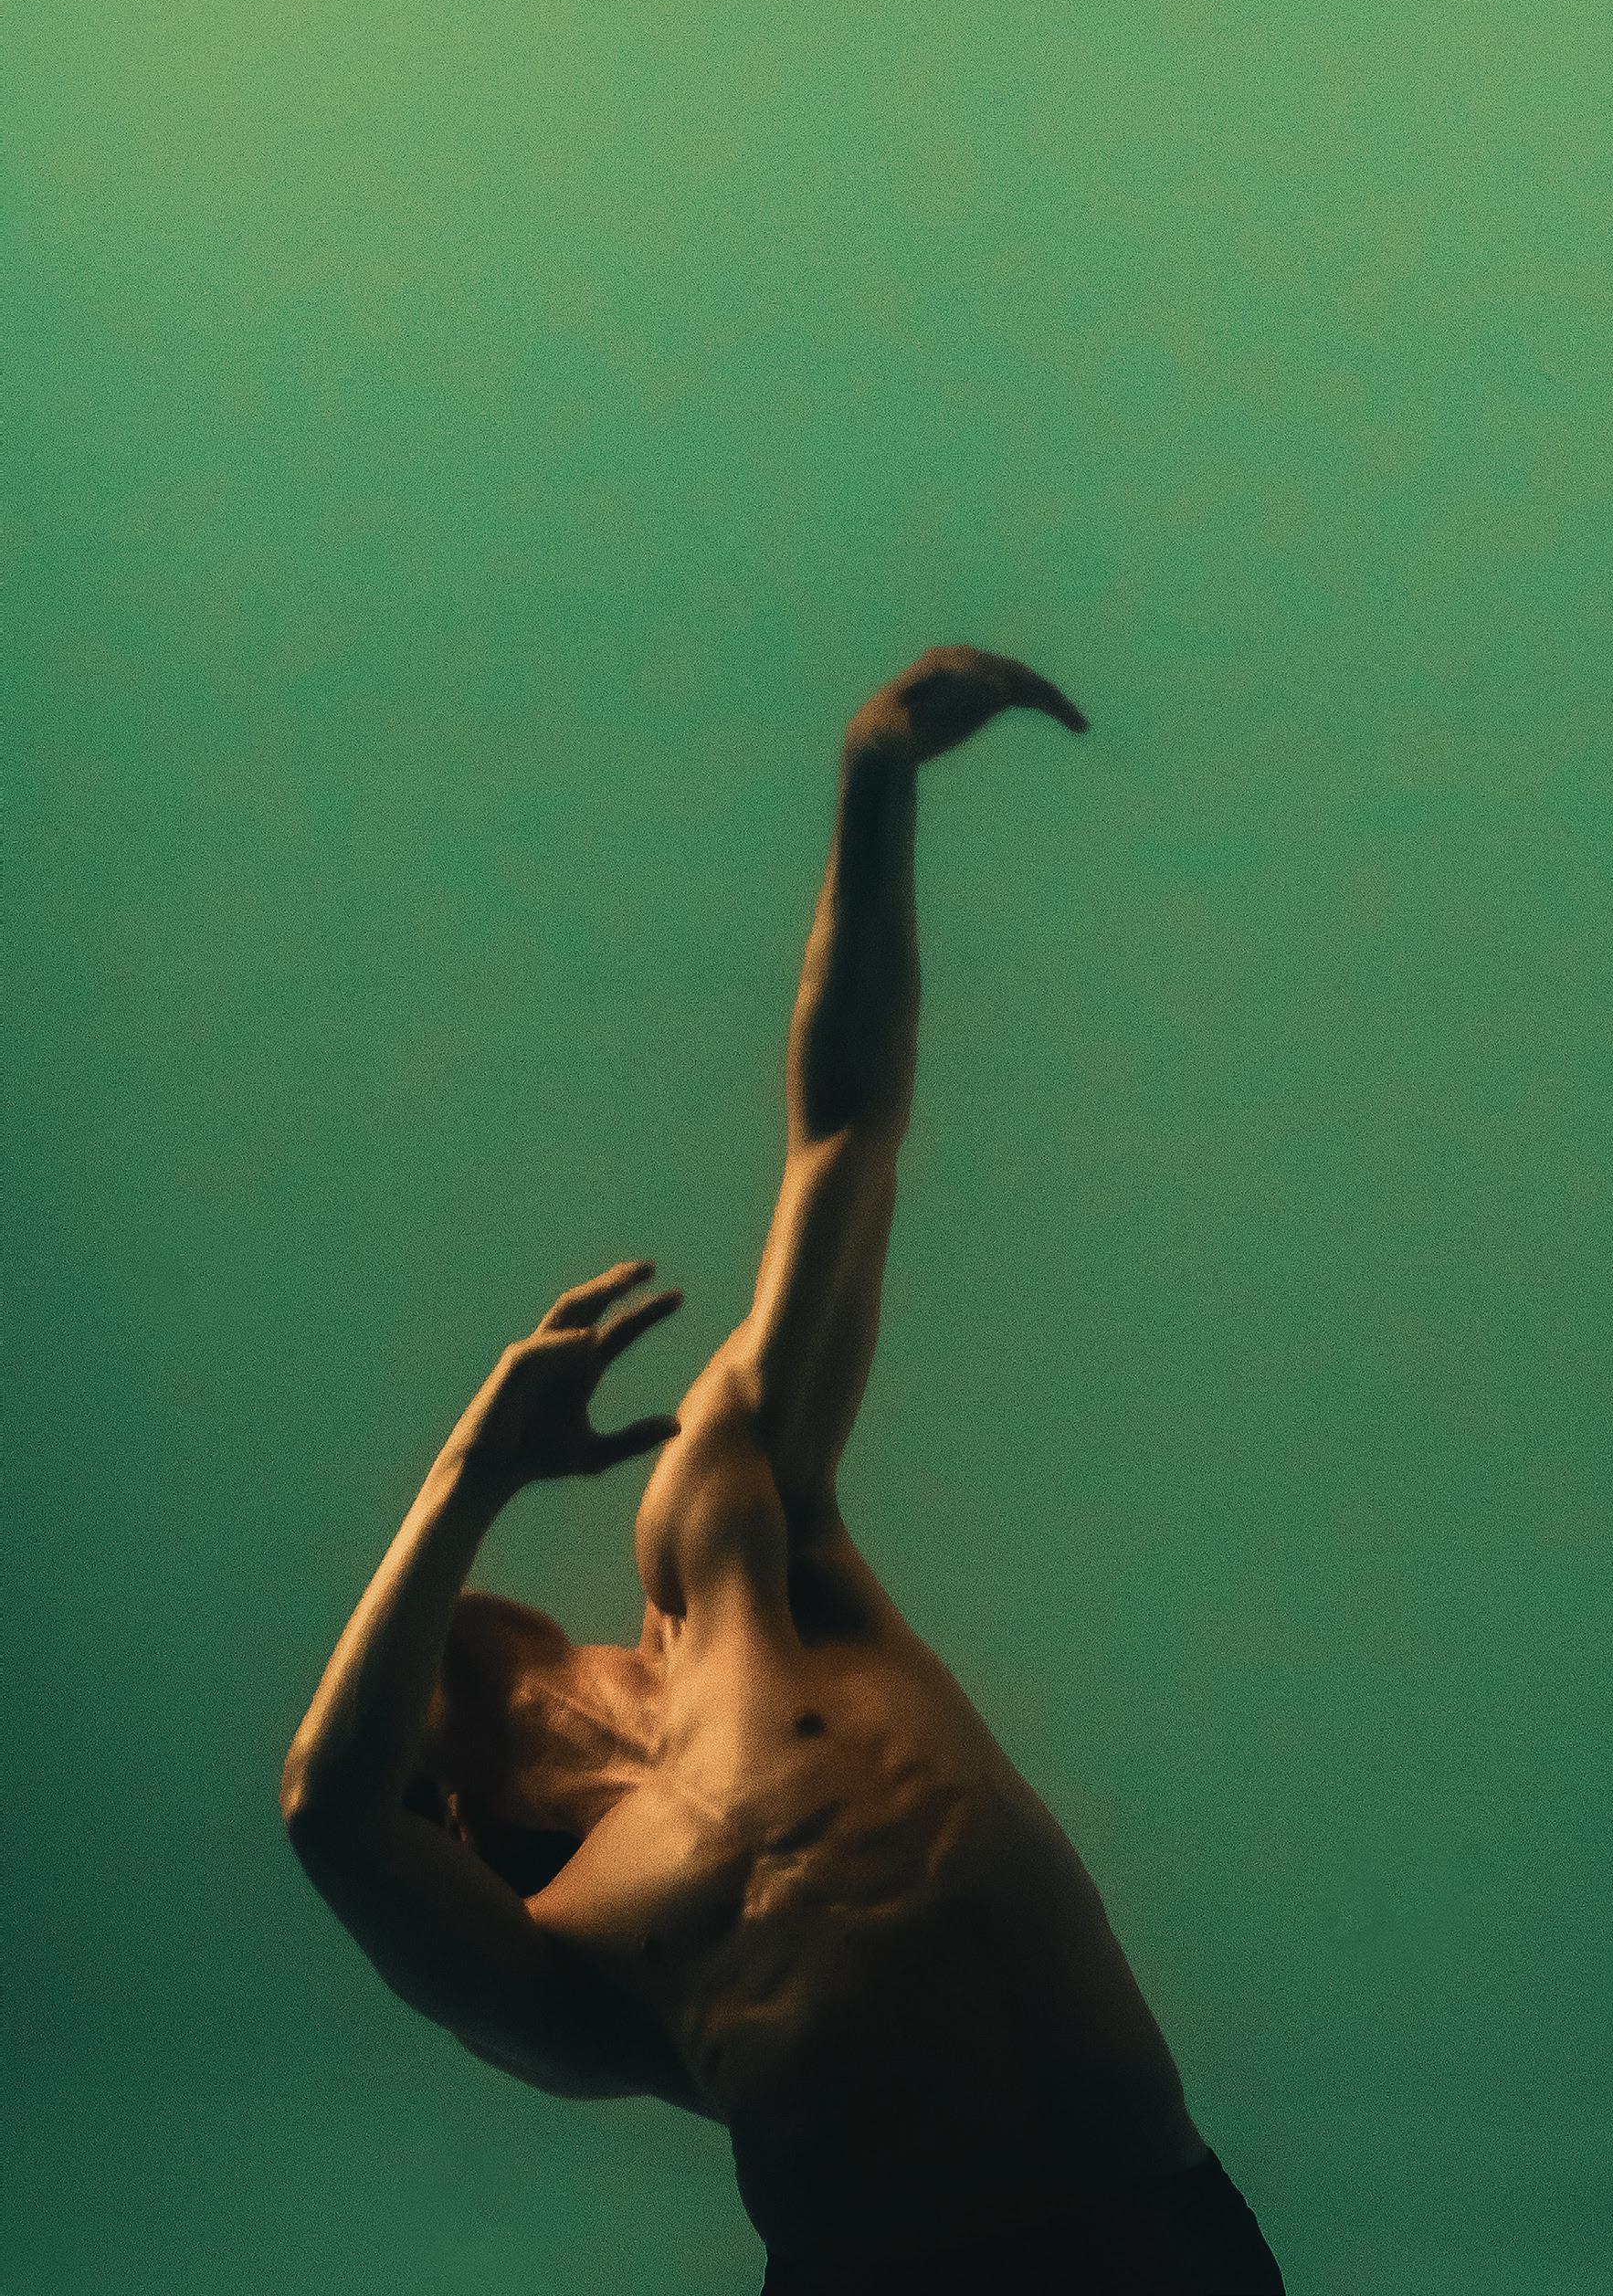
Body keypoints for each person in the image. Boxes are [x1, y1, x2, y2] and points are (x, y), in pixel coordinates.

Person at [279, 648, 1288, 2295]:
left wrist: (876, 780)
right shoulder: (552, 1965)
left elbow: (844, 1136)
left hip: (1155, 2235)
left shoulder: (734, 1555)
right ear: (446, 1809)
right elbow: (326, 1810)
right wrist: (468, 1472)